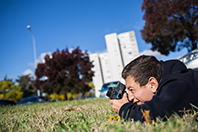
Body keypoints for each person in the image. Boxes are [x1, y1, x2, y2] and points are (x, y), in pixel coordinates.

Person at [109, 55, 198, 122]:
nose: (130, 97)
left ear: (152, 85)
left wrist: (124, 109)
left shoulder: (178, 85)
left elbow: (157, 114)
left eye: (132, 90)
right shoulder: (172, 78)